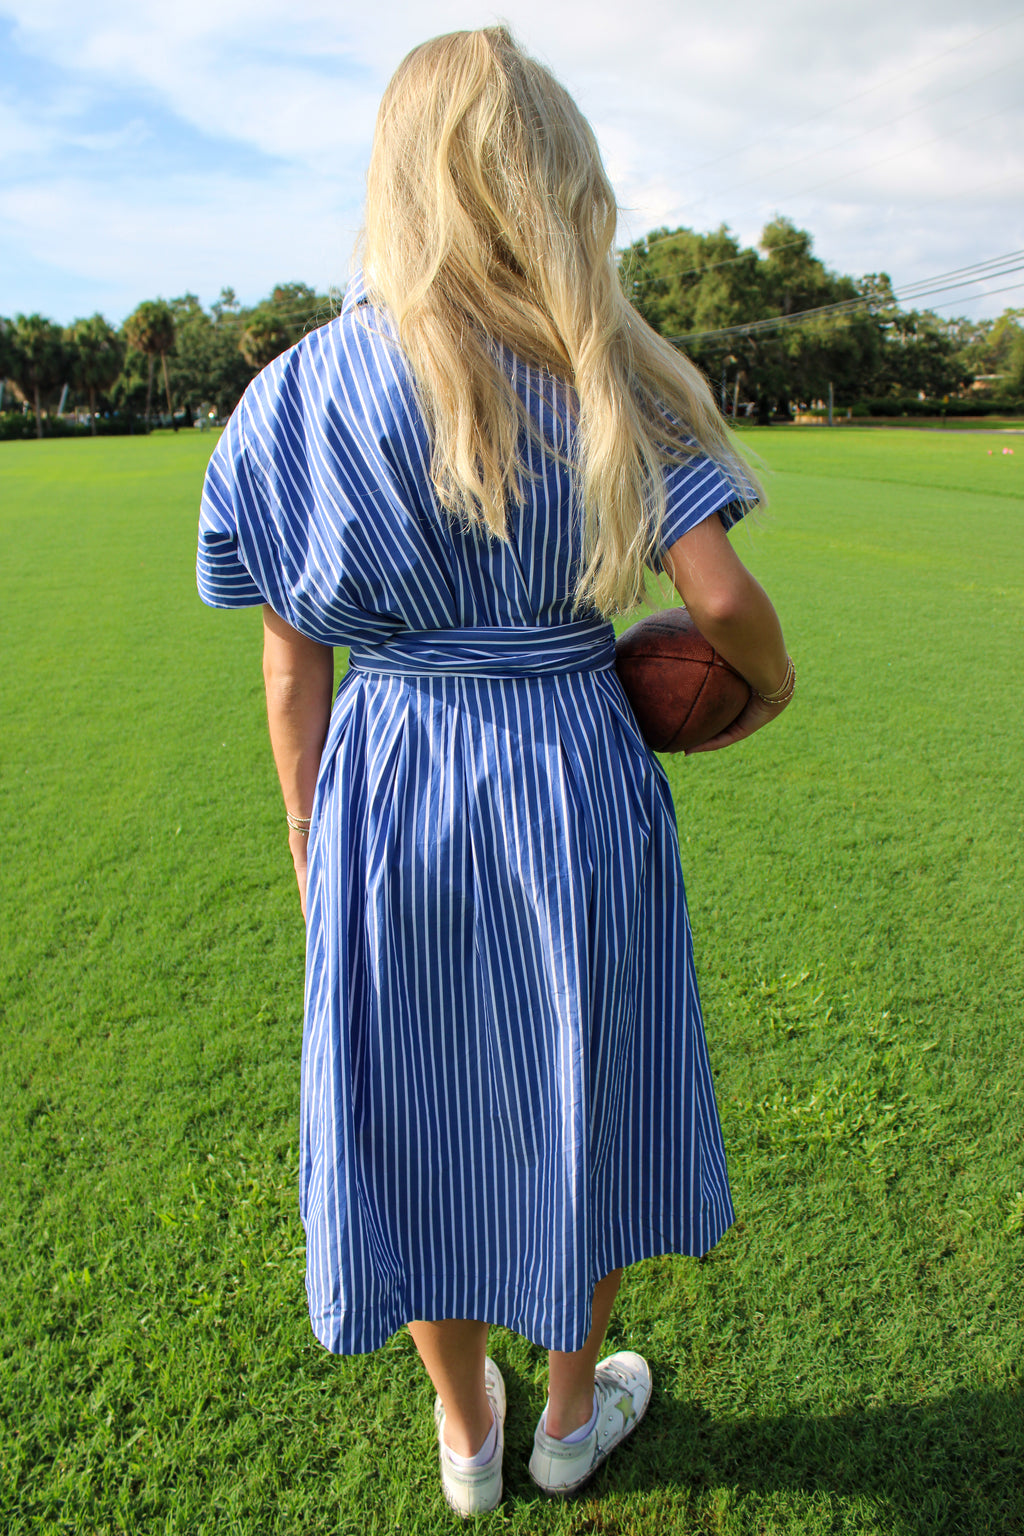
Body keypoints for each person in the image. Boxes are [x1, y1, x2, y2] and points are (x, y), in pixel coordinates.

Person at [197, 26, 793, 1518]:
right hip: (567, 770)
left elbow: (291, 666)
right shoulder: (596, 361)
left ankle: (469, 1435)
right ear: (554, 176)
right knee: (575, 1080)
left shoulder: (293, 398)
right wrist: (767, 687)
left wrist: (307, 833)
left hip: (387, 782)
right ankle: (569, 1418)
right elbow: (716, 603)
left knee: (404, 1103)